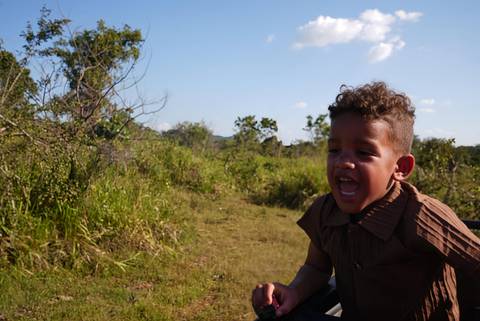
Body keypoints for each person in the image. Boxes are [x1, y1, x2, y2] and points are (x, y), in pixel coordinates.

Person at [251, 82, 480, 321]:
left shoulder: (422, 216)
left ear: (400, 167)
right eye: (334, 150)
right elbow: (316, 268)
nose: (343, 162)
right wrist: (294, 291)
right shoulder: (326, 211)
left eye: (363, 152)